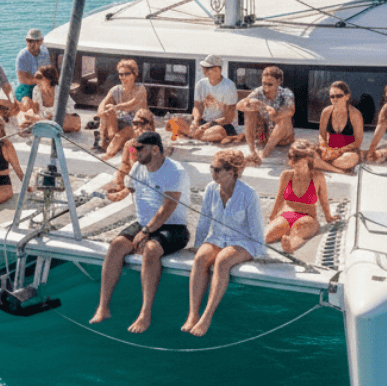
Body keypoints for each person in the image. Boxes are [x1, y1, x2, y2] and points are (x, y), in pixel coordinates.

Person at [90, 130, 190, 334]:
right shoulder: (138, 167)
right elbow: (132, 189)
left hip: (174, 227)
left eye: (138, 148)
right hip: (144, 223)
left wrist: (146, 232)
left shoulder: (175, 171)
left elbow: (167, 208)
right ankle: (103, 306)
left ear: (155, 149)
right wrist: (119, 194)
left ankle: (145, 313)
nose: (133, 152)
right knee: (117, 245)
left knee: (151, 249)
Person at [184, 148, 264, 336]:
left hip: (243, 241)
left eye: (217, 169)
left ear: (232, 172)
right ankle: (193, 314)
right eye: (212, 168)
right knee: (200, 258)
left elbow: (257, 230)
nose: (213, 173)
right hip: (218, 237)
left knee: (222, 261)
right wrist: (198, 244)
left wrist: (261, 255)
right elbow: (204, 220)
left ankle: (207, 316)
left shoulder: (249, 194)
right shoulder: (211, 189)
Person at [266, 140, 335, 254]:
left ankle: (289, 246)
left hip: (307, 217)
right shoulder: (286, 175)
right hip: (285, 215)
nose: (296, 167)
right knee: (268, 236)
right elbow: (279, 197)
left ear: (308, 160)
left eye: (300, 164)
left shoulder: (318, 177)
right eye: (294, 164)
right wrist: (273, 215)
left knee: (300, 228)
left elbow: (323, 199)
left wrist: (329, 217)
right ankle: (286, 238)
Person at [236, 65, 295, 165]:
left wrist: (274, 115)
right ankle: (252, 151)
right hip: (264, 135)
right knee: (249, 110)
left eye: (270, 84)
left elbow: (291, 110)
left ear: (279, 82)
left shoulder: (286, 93)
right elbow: (239, 106)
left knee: (285, 117)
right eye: (264, 83)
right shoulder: (258, 92)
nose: (266, 87)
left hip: (283, 137)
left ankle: (266, 151)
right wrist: (263, 106)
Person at [97, 58, 148, 157]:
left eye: (127, 74)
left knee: (123, 133)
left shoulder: (141, 90)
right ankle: (106, 139)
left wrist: (116, 107)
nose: (123, 77)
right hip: (119, 125)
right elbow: (102, 104)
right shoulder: (115, 89)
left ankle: (109, 148)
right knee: (107, 108)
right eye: (121, 74)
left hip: (137, 126)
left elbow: (132, 104)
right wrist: (103, 111)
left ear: (135, 74)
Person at [105, 109, 157, 200]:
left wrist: (127, 190)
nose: (136, 127)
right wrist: (118, 181)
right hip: (134, 178)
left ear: (149, 125)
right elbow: (125, 165)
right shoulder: (129, 144)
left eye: (139, 124)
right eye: (134, 124)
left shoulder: (155, 144)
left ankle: (128, 190)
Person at [316, 80, 364, 173]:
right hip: (329, 150)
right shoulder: (326, 112)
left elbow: (358, 141)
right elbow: (321, 135)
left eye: (339, 96)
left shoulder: (355, 114)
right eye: (332, 96)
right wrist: (324, 148)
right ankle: (336, 168)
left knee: (350, 158)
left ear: (347, 96)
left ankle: (322, 164)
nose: (335, 99)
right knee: (302, 152)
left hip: (346, 152)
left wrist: (339, 151)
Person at [189, 54, 239, 143]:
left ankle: (193, 135)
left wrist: (207, 125)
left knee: (218, 132)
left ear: (217, 70)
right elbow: (197, 107)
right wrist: (195, 121)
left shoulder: (229, 86)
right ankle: (199, 135)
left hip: (222, 126)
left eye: (206, 68)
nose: (204, 70)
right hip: (203, 123)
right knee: (174, 122)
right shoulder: (201, 84)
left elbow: (229, 118)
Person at [20, 65, 81, 133]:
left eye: (40, 77)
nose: (37, 80)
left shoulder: (60, 92)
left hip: (59, 120)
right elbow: (36, 110)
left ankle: (38, 124)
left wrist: (55, 115)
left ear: (50, 79)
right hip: (44, 119)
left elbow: (71, 113)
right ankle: (39, 124)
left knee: (72, 122)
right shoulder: (36, 90)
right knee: (25, 100)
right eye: (36, 77)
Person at [14, 28, 51, 103]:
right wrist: (40, 80)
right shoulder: (22, 56)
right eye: (29, 40)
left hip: (41, 86)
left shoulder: (45, 53)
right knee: (27, 103)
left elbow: (48, 72)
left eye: (36, 41)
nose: (32, 44)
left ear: (41, 41)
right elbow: (22, 79)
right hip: (25, 88)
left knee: (52, 100)